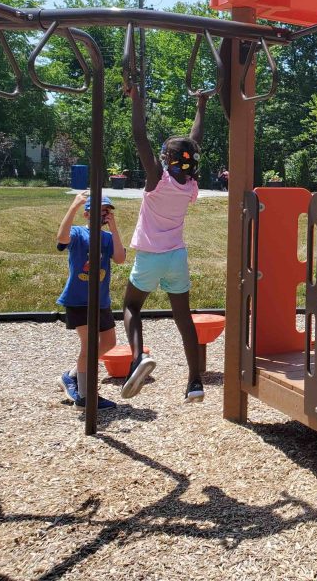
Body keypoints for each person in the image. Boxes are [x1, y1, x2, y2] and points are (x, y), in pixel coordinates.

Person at [121, 83, 207, 403]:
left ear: (166, 159)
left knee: (131, 306)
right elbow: (194, 142)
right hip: (176, 258)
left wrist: (136, 99)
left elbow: (140, 137)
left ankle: (136, 359)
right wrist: (202, 104)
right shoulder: (190, 186)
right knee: (183, 319)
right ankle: (195, 382)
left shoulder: (157, 179)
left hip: (150, 257)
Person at [56, 191, 125, 410]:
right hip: (78, 299)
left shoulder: (106, 239)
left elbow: (121, 258)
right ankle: (85, 397)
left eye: (107, 211)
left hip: (101, 300)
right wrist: (74, 206)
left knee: (109, 343)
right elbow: (61, 239)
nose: (104, 215)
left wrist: (113, 227)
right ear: (87, 214)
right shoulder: (78, 233)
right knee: (90, 344)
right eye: (100, 211)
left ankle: (72, 376)